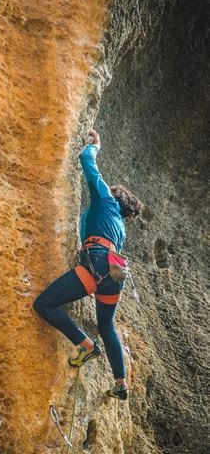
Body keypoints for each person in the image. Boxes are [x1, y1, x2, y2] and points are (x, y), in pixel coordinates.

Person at [33, 129, 144, 400]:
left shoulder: (106, 199)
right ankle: (121, 383)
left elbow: (87, 162)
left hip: (95, 265)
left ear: (115, 196)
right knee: (107, 326)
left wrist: (95, 145)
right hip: (115, 273)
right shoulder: (120, 228)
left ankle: (86, 345)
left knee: (44, 304)